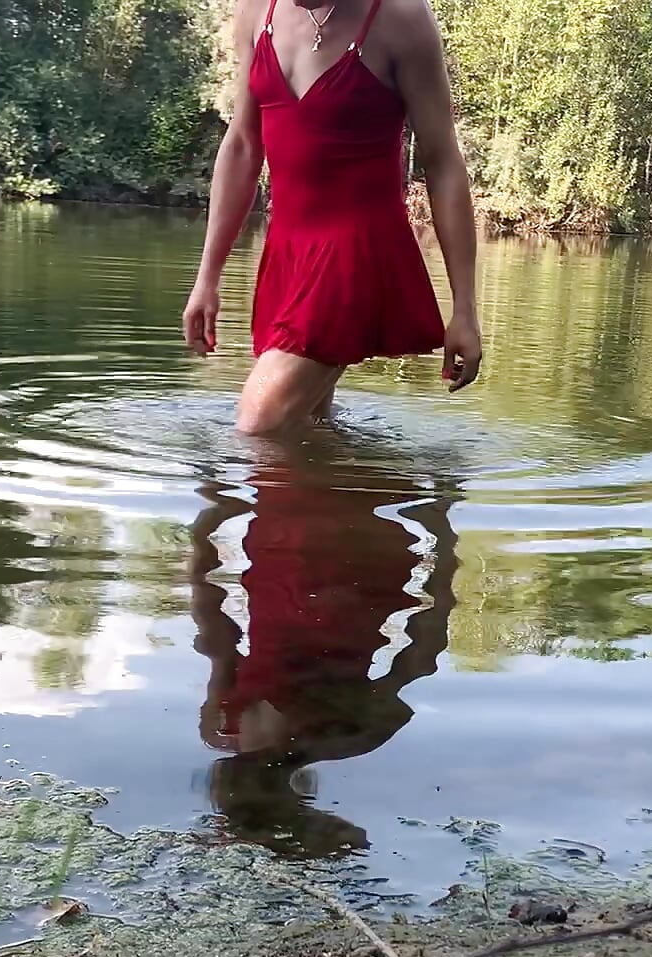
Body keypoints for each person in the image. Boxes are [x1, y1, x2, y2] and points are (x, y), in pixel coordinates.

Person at [181, 0, 483, 436]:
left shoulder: (401, 18)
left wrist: (465, 309)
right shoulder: (255, 11)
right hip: (286, 256)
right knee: (308, 427)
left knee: (257, 423)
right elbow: (244, 146)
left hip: (355, 256)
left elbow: (443, 164)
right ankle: (349, 495)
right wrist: (207, 277)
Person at [187, 449, 459, 856]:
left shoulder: (353, 736)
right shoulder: (228, 727)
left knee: (318, 436)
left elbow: (426, 648)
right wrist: (214, 511)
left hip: (342, 558)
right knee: (310, 438)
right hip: (309, 554)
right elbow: (211, 619)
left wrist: (439, 531)